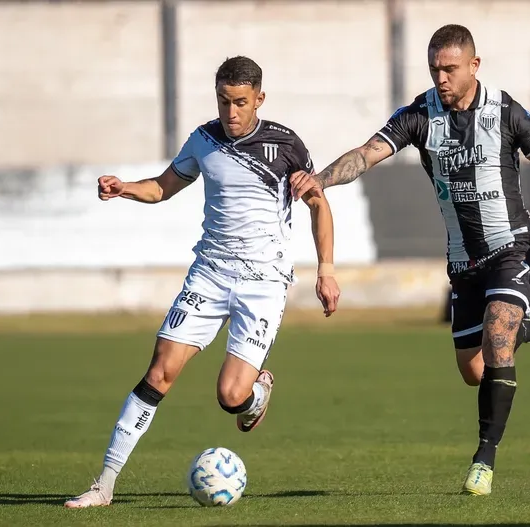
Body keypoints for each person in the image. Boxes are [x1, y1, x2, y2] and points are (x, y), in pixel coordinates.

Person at [289, 24, 530, 496]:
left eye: (449, 68)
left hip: (514, 247)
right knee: (475, 370)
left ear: (474, 66)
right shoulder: (420, 115)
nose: (440, 78)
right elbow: (367, 154)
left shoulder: (505, 111)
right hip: (465, 263)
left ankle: (483, 460)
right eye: (434, 69)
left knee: (496, 335)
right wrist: (321, 178)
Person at [64, 56, 341, 508]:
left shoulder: (286, 144)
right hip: (209, 274)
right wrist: (125, 188)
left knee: (231, 396)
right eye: (223, 101)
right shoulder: (204, 139)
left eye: (240, 103)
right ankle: (104, 485)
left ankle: (257, 392)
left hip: (263, 282)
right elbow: (163, 187)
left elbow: (318, 204)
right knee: (159, 372)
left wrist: (325, 270)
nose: (230, 113)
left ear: (259, 99)